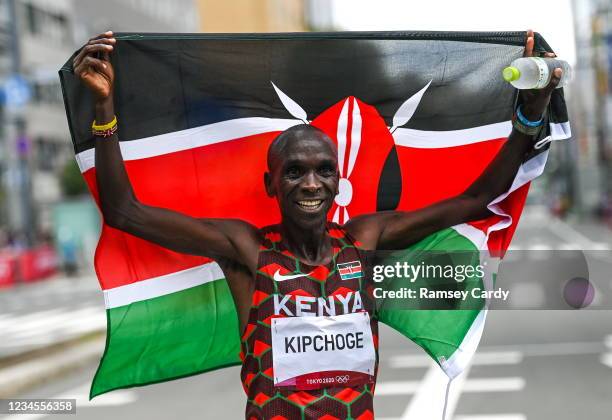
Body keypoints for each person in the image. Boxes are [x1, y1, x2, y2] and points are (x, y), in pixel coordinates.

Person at [74, 30, 561, 419]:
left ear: (338, 180)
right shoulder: (245, 248)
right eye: (295, 171)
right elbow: (124, 212)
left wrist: (529, 117)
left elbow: (477, 199)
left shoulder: (364, 239)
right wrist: (104, 111)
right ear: (271, 185)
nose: (311, 183)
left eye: (324, 170)